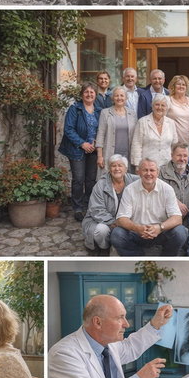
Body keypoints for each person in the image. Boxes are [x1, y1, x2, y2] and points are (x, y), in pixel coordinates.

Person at [110, 158, 188, 256]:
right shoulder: (129, 190)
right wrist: (138, 228)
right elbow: (122, 218)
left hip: (160, 232)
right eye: (145, 170)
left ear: (158, 173)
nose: (148, 173)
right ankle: (139, 259)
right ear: (138, 172)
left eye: (152, 170)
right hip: (137, 232)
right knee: (117, 235)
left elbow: (177, 218)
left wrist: (159, 228)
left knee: (180, 232)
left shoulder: (167, 189)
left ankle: (164, 261)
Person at [59, 82, 100, 222]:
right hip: (77, 149)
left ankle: (90, 206)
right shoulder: (75, 109)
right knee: (78, 179)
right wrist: (83, 143)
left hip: (93, 150)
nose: (89, 94)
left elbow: (101, 129)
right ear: (82, 94)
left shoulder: (99, 111)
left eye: (92, 92)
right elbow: (68, 129)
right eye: (86, 92)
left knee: (90, 180)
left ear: (95, 94)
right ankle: (77, 208)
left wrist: (96, 142)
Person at [83, 155, 139, 252]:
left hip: (126, 221)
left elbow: (151, 180)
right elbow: (96, 210)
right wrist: (114, 222)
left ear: (126, 168)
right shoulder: (100, 185)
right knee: (101, 231)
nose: (117, 169)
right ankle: (105, 248)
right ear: (109, 168)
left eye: (120, 166)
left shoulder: (135, 181)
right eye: (113, 166)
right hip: (102, 221)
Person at [95, 86, 136, 180]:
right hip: (109, 153)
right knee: (106, 180)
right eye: (116, 96)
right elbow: (100, 134)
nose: (119, 98)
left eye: (122, 95)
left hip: (127, 155)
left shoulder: (133, 114)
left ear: (126, 98)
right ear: (113, 98)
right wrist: (100, 156)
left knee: (126, 181)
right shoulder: (105, 113)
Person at [158, 143, 189, 231]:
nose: (182, 159)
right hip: (166, 221)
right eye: (179, 155)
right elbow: (157, 193)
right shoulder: (161, 173)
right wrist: (176, 202)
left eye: (185, 156)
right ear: (172, 155)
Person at [130, 94, 178, 170]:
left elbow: (175, 145)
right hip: (147, 166)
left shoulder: (171, 123)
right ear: (152, 106)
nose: (160, 107)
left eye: (163, 105)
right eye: (157, 104)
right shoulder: (142, 122)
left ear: (167, 108)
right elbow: (137, 144)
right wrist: (137, 165)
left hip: (167, 166)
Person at [166, 75, 189, 146]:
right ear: (173, 86)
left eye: (183, 85)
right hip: (172, 140)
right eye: (178, 84)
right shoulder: (167, 100)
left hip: (188, 139)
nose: (181, 86)